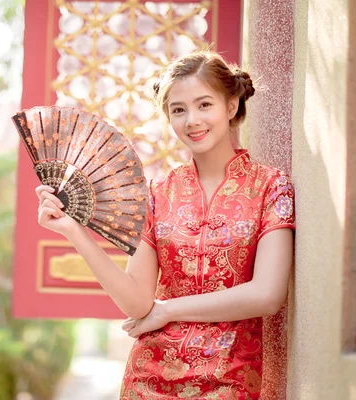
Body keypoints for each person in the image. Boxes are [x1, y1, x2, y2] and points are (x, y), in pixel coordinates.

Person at [34, 50, 295, 399]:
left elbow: (267, 295)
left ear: (231, 107)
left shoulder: (270, 186)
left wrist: (168, 310)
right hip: (149, 379)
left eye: (205, 105)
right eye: (178, 110)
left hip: (230, 379)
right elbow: (138, 304)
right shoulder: (158, 194)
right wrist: (73, 230)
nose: (192, 120)